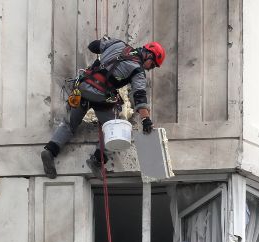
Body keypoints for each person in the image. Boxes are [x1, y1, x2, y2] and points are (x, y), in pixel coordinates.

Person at [40, 37, 166, 179]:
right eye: (153, 64)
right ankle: (97, 160)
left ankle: (49, 151)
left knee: (69, 124)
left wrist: (106, 45)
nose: (150, 68)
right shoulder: (138, 71)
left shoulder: (118, 44)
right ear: (148, 54)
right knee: (114, 130)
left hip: (83, 88)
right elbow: (140, 96)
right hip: (101, 98)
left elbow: (93, 46)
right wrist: (145, 120)